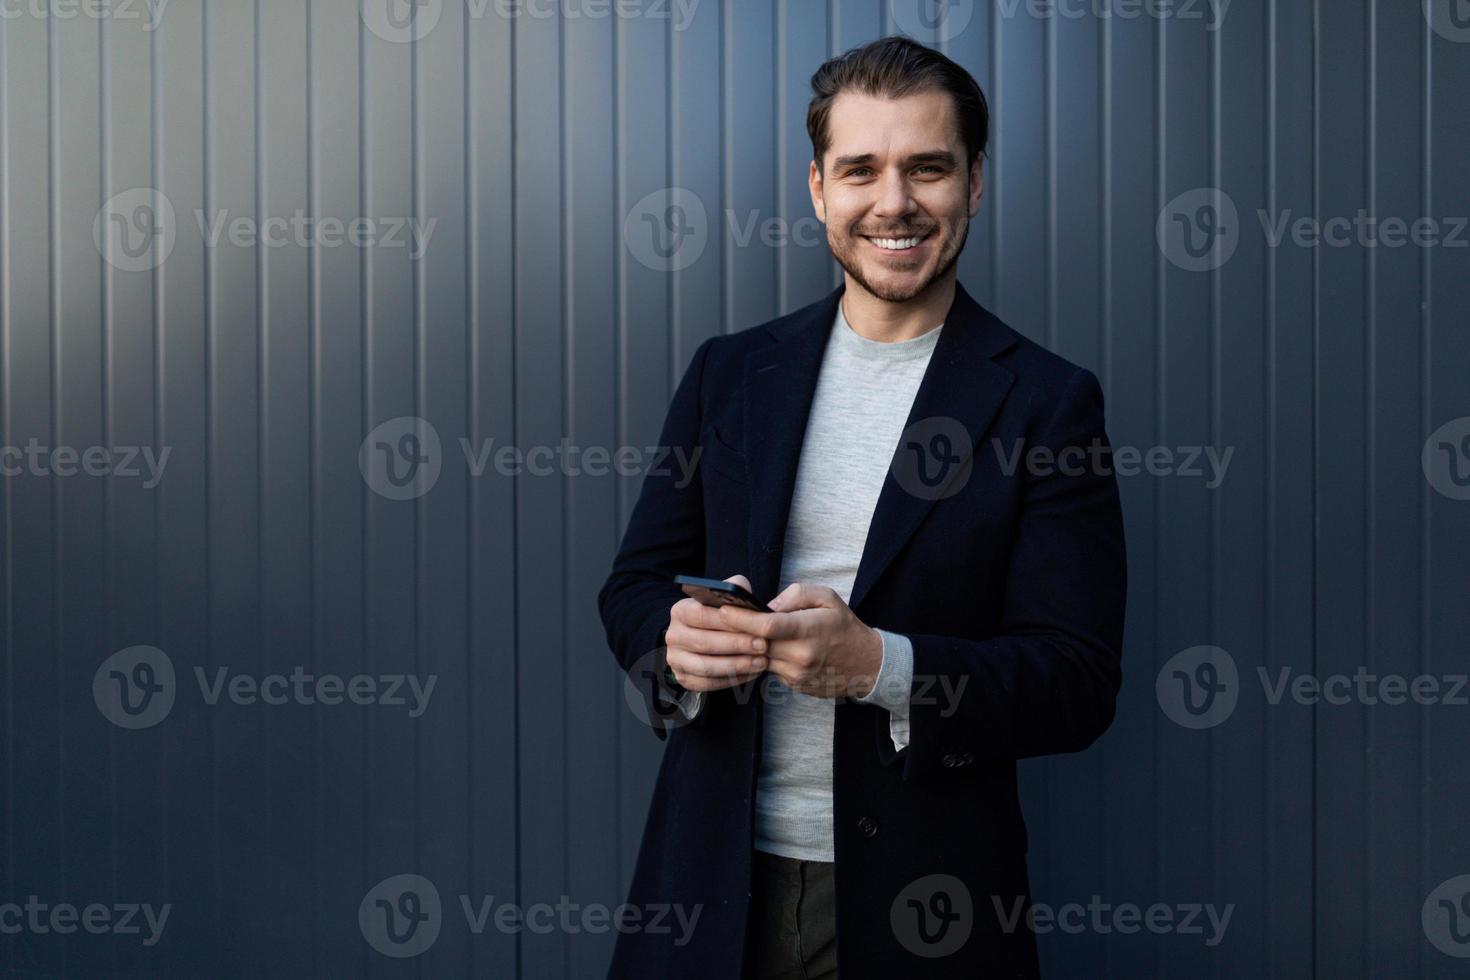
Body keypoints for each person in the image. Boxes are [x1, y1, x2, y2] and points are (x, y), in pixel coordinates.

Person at [598, 35, 1127, 979]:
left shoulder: (1048, 402)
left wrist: (880, 666)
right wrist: (673, 644)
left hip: (932, 906)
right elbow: (633, 586)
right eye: (861, 170)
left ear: (973, 183)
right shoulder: (730, 373)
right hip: (709, 887)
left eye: (928, 167)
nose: (895, 202)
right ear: (818, 189)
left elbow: (1076, 682)